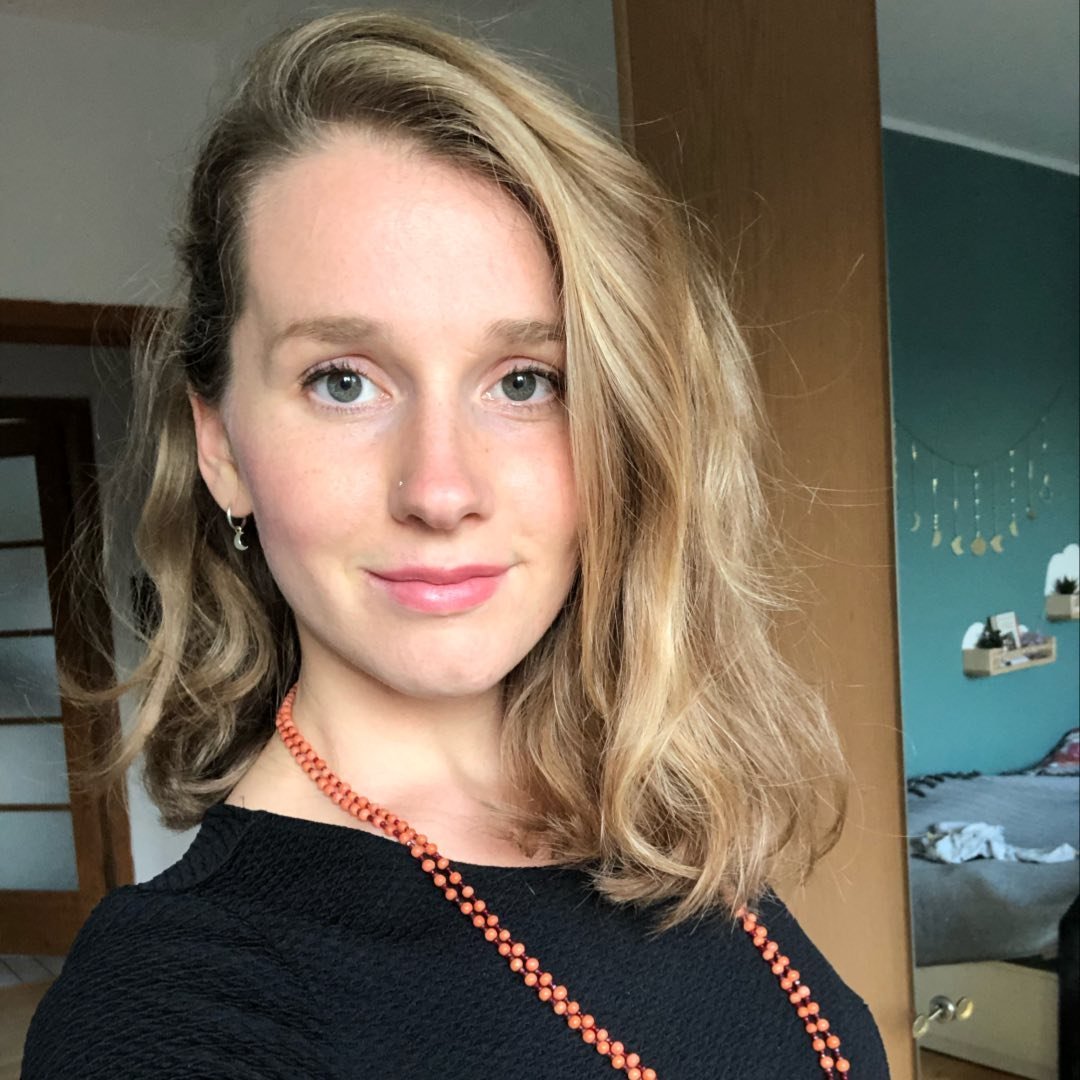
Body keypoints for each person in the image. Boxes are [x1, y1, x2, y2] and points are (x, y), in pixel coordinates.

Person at [22, 11, 889, 1078]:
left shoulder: (654, 817)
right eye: (343, 381)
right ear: (221, 448)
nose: (440, 490)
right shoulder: (165, 1012)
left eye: (525, 381)